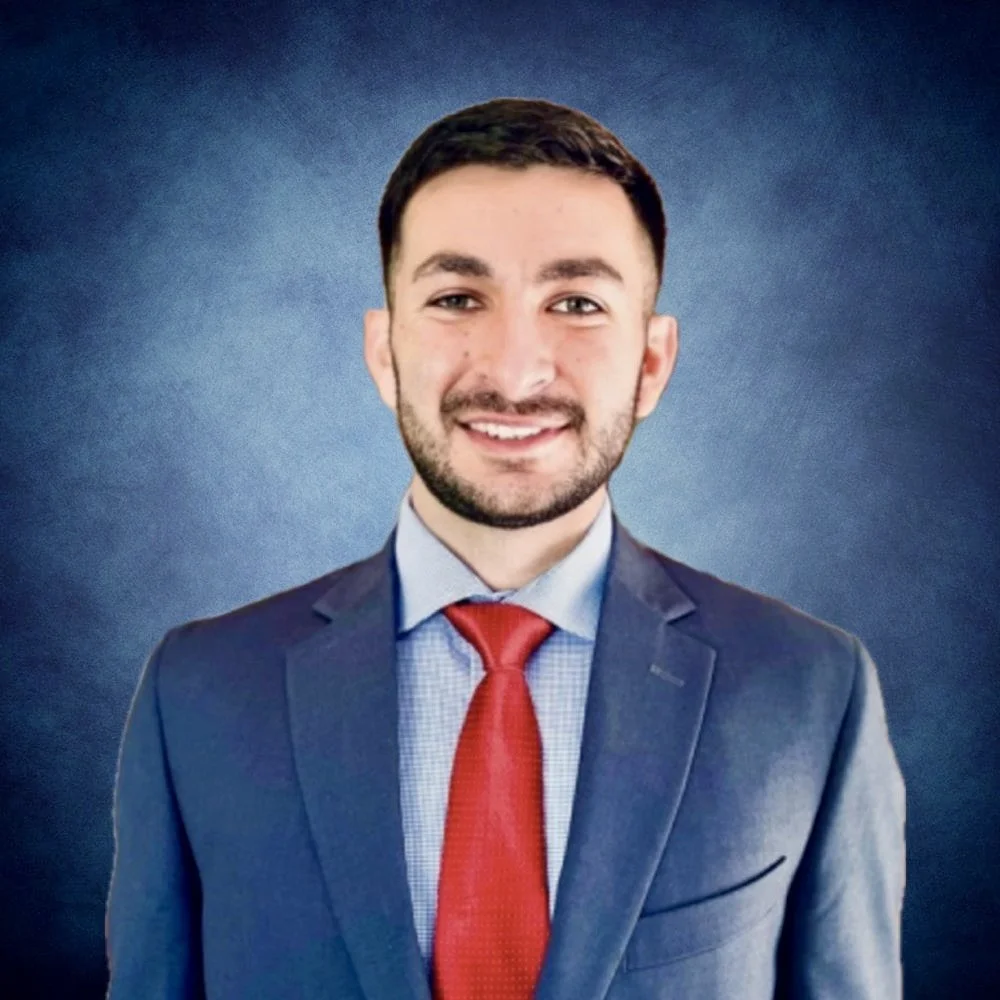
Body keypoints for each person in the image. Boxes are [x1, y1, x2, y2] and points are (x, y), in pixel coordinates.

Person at [105, 97, 906, 1000]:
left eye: (577, 303)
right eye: (457, 299)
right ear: (384, 352)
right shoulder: (197, 692)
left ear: (651, 363)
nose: (516, 373)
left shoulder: (810, 688)